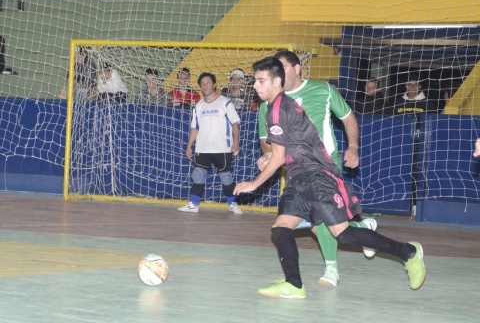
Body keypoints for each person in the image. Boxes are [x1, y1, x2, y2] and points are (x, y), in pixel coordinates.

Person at [234, 57, 426, 299]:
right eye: (255, 81)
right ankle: (294, 284)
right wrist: (269, 156)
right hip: (298, 177)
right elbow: (279, 150)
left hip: (319, 175)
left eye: (261, 81)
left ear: (277, 81)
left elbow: (279, 156)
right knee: (281, 228)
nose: (256, 86)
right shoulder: (273, 107)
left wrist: (254, 183)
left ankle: (408, 252)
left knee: (343, 234)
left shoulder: (280, 107)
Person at [257, 50, 374, 288]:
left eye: (283, 67)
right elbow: (265, 139)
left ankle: (331, 268)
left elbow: (349, 118)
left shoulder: (323, 90)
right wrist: (267, 155)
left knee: (319, 217)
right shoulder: (268, 102)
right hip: (294, 168)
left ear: (297, 68)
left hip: (325, 163)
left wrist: (353, 147)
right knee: (317, 220)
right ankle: (363, 229)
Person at [178, 72, 243, 215]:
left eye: (208, 83)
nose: (205, 85)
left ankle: (233, 203)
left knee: (226, 177)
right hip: (202, 148)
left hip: (222, 148)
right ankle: (193, 204)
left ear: (214, 85)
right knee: (198, 175)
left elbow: (235, 125)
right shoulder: (199, 106)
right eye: (202, 83)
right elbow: (194, 127)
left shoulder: (225, 102)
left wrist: (236, 142)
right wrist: (189, 146)